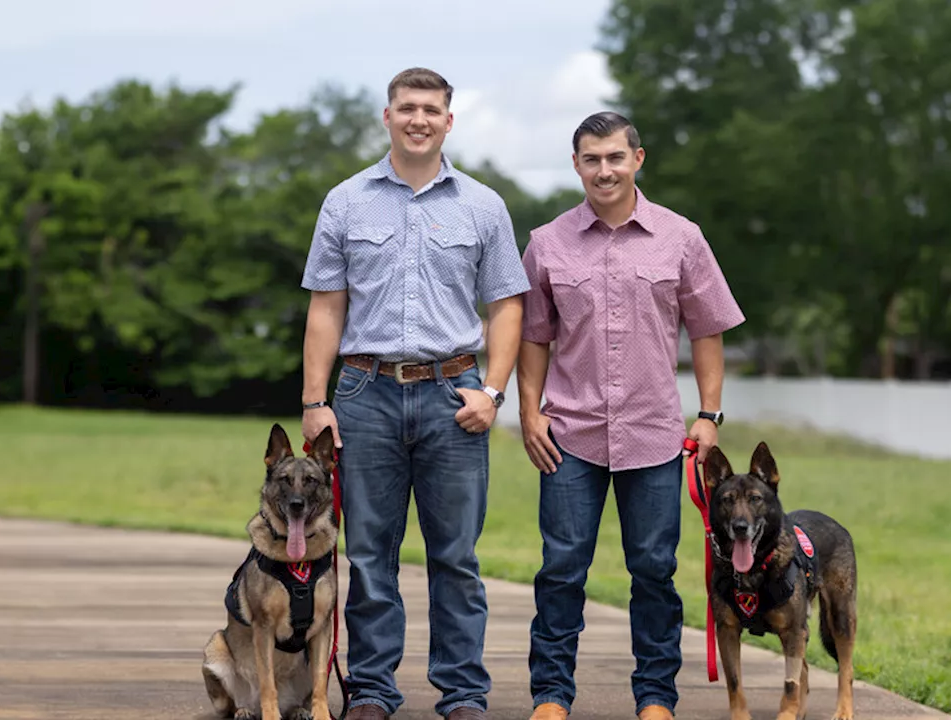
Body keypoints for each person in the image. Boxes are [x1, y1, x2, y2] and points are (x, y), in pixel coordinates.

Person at [299, 67, 530, 720]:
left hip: (453, 398)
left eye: (431, 109)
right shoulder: (345, 202)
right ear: (387, 117)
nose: (419, 119)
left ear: (449, 121)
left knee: (455, 558)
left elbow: (508, 307)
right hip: (364, 395)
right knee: (370, 557)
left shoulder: (482, 205)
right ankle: (371, 692)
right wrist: (317, 403)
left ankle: (462, 695)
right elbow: (325, 308)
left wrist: (492, 390)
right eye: (407, 108)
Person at [517, 111, 745, 720]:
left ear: (637, 159)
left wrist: (710, 414)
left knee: (653, 570)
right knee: (562, 568)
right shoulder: (547, 243)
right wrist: (529, 413)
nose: (604, 170)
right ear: (576, 165)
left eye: (615, 157)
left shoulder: (682, 237)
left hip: (654, 433)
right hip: (569, 433)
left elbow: (709, 329)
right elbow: (533, 336)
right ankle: (550, 697)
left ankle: (655, 699)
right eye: (591, 159)